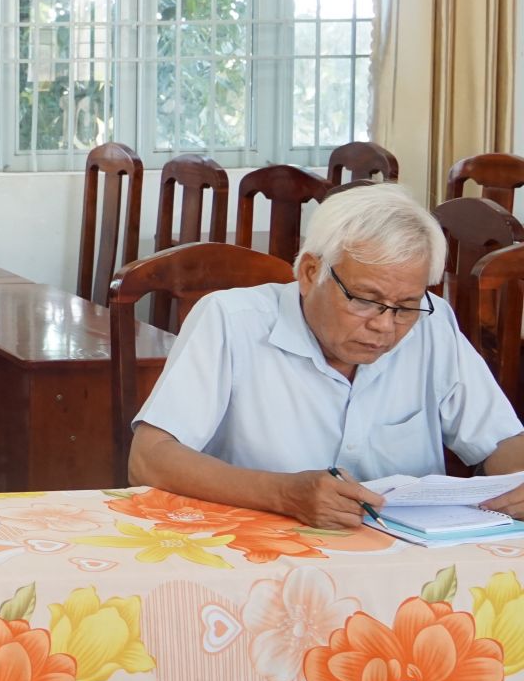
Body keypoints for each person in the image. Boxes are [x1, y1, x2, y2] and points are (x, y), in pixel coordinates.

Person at [131, 182, 524, 529]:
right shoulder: (232, 321)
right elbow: (149, 458)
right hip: (262, 554)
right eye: (365, 300)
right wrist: (283, 494)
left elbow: (502, 441)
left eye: (405, 306)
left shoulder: (432, 326)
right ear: (310, 273)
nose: (385, 325)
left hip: (410, 558)